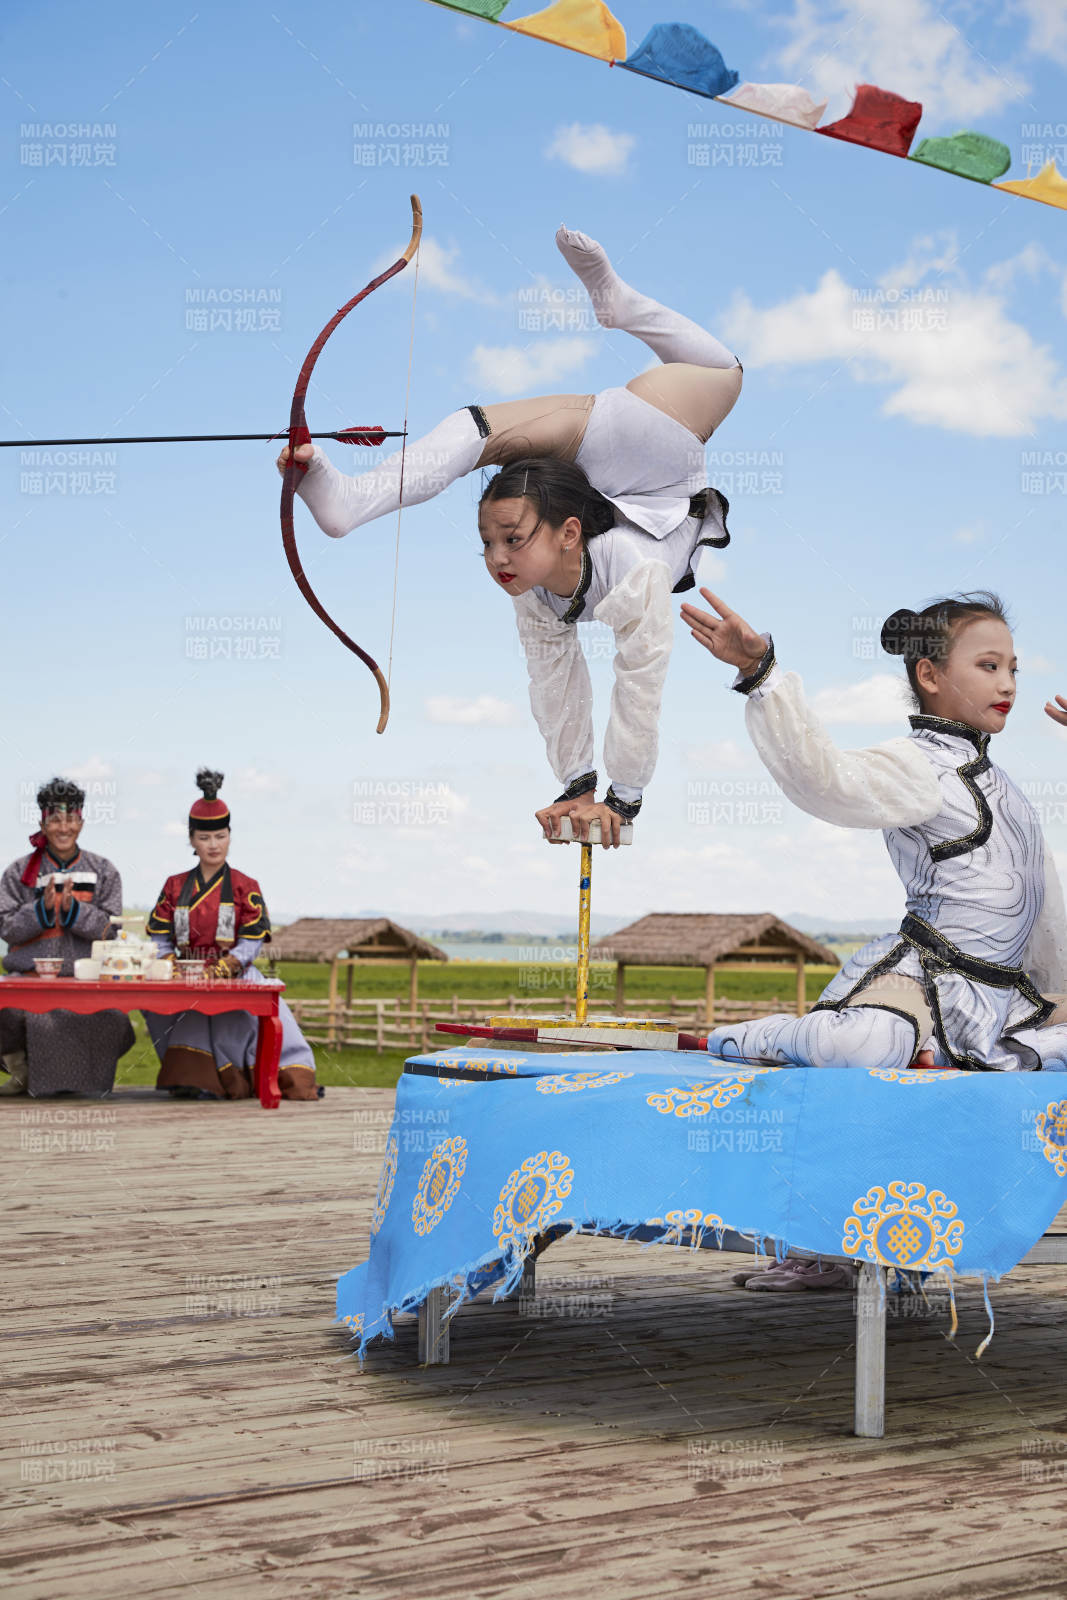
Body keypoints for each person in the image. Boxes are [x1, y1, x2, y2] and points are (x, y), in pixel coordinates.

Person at [279, 227, 742, 846]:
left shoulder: (634, 572)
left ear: (566, 533)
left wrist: (624, 798)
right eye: (487, 543)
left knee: (723, 372)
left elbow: (640, 681)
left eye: (512, 540)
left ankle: (621, 305)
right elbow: (553, 679)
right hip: (602, 495)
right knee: (486, 438)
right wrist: (576, 782)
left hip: (652, 459)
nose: (497, 559)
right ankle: (346, 502)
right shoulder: (532, 585)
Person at [682, 588, 1067, 1290]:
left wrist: (1053, 996)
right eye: (987, 666)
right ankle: (755, 1036)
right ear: (930, 675)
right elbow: (824, 779)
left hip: (1003, 1000)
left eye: (1013, 667)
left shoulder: (1005, 785)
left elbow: (1043, 910)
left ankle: (908, 1241)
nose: (1008, 683)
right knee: (864, 1047)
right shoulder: (916, 766)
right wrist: (762, 675)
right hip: (923, 980)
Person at [143, 771, 318, 1101]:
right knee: (172, 1008)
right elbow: (159, 936)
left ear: (229, 837)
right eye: (205, 838)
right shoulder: (174, 886)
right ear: (192, 841)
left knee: (258, 1011)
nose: (213, 845)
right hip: (186, 973)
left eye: (220, 836)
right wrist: (169, 963)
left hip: (235, 971)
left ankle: (253, 1079)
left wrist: (225, 967)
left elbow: (252, 940)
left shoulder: (245, 886)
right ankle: (194, 1081)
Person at [0, 777, 134, 1096]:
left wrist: (74, 911)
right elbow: (5, 926)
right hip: (30, 979)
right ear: (42, 824)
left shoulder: (103, 870)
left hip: (85, 980)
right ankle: (21, 1071)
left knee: (113, 1019)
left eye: (70, 819)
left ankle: (82, 1084)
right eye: (55, 820)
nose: (63, 828)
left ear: (81, 823)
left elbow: (111, 929)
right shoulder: (18, 872)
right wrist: (41, 909)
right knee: (9, 1012)